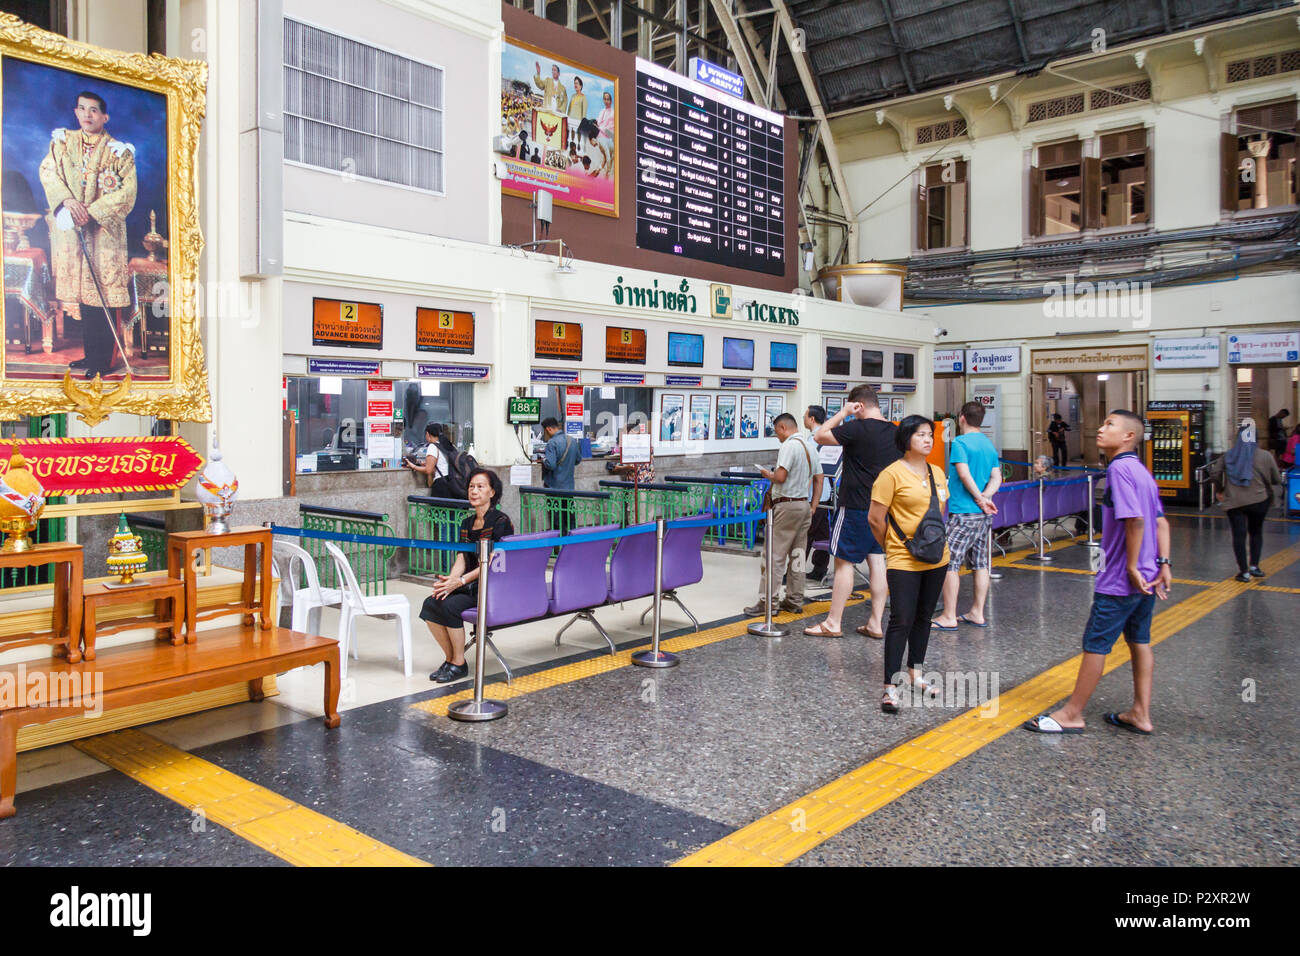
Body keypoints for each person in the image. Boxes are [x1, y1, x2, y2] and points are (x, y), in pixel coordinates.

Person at [1024, 410, 1171, 735]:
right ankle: (1140, 713)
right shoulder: (1142, 472)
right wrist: (1164, 563)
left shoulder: (1119, 470)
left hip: (1122, 577)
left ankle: (1072, 713)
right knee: (1140, 641)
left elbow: (1136, 521)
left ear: (1129, 436)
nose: (1100, 429)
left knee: (1096, 643)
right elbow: (1161, 521)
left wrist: (1131, 566)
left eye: (1109, 425)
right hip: (1148, 576)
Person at [39, 91, 137, 380]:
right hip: (73, 230)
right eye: (82, 109)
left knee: (101, 295)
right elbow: (49, 172)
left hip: (104, 233)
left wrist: (91, 211)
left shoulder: (120, 151)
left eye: (94, 110)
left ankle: (103, 359)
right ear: (76, 111)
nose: (87, 115)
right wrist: (68, 202)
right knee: (84, 296)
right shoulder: (62, 143)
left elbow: (127, 192)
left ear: (104, 117)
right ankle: (90, 354)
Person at [870, 416, 950, 713]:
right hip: (903, 558)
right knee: (901, 618)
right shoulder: (890, 475)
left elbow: (939, 513)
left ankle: (916, 672)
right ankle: (890, 687)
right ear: (906, 440)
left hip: (937, 556)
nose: (928, 440)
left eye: (930, 435)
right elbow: (875, 518)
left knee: (924, 616)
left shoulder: (938, 473)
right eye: (920, 435)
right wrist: (891, 546)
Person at [805, 384, 899, 639]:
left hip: (856, 505)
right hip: (883, 507)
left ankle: (833, 622)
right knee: (877, 561)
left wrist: (843, 413)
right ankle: (876, 623)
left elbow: (820, 436)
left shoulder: (857, 427)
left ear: (858, 405)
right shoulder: (894, 432)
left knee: (844, 562)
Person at [420, 469, 514, 684]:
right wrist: (450, 582)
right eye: (471, 486)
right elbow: (462, 556)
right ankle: (450, 659)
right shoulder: (466, 522)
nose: (474, 491)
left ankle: (459, 663)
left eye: (480, 487)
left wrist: (460, 581)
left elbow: (494, 562)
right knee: (432, 602)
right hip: (470, 584)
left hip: (492, 585)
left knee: (450, 607)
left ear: (492, 492)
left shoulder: (501, 521)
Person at [932, 401, 1001, 630]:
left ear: (961, 418)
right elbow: (996, 477)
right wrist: (986, 497)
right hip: (983, 515)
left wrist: (978, 498)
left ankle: (949, 615)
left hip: (964, 513)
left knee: (949, 563)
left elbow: (963, 474)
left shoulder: (960, 442)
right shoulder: (988, 444)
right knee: (981, 564)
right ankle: (977, 612)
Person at [746, 413, 815, 616]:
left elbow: (781, 477)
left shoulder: (789, 446)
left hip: (786, 506)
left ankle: (768, 602)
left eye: (777, 432)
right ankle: (794, 599)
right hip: (804, 505)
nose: (777, 437)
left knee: (774, 556)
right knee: (798, 555)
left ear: (783, 427)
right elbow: (819, 477)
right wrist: (814, 505)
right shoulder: (809, 446)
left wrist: (768, 474)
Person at [1208, 420, 1284, 582]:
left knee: (1239, 535)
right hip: (1259, 500)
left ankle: (1243, 572)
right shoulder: (1265, 455)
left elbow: (1215, 473)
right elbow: (1276, 479)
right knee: (1256, 532)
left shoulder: (1229, 454)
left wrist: (1220, 490)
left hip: (1235, 502)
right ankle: (1255, 567)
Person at [802, 405, 836, 585]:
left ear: (812, 419)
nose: (803, 418)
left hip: (814, 494)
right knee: (822, 533)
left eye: (805, 416)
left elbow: (811, 470)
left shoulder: (813, 440)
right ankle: (819, 569)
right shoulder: (828, 438)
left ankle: (795, 572)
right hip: (826, 493)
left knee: (804, 535)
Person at [403, 423, 457, 497]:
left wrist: (413, 466)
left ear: (428, 434)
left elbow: (429, 470)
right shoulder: (448, 445)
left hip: (441, 485)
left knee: (437, 508)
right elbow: (443, 463)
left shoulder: (433, 446)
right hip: (452, 483)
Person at [566, 75, 588, 149]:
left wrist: (583, 122)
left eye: (577, 83)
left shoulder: (583, 97)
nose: (575, 85)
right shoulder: (572, 96)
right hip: (570, 119)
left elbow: (584, 111)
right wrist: (567, 117)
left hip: (578, 120)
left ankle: (578, 145)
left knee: (577, 135)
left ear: (581, 86)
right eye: (574, 83)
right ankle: (570, 146)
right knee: (570, 135)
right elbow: (569, 108)